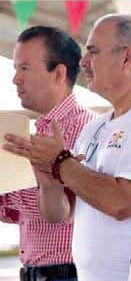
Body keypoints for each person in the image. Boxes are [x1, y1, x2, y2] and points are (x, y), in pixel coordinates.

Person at [4, 14, 131, 281]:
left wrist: (60, 163)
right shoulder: (97, 127)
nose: (83, 62)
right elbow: (61, 213)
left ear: (127, 57)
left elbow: (122, 203)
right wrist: (49, 182)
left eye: (93, 51)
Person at [0, 26, 95, 281]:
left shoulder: (86, 129)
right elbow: (19, 214)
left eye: (24, 68)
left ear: (59, 73)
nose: (15, 79)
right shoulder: (35, 132)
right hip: (35, 272)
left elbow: (62, 212)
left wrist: (15, 188)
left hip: (67, 272)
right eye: (15, 69)